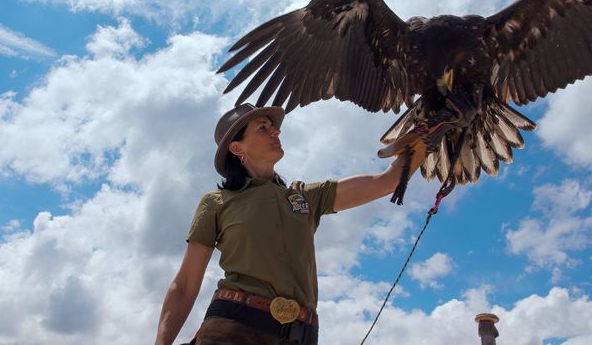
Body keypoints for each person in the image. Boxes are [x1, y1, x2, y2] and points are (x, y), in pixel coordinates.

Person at [154, 103, 425, 345]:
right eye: (262, 128)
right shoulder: (217, 202)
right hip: (234, 330)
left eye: (274, 127)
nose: (276, 132)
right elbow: (186, 283)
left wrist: (430, 130)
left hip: (303, 335)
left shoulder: (305, 196)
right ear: (237, 148)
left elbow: (386, 182)